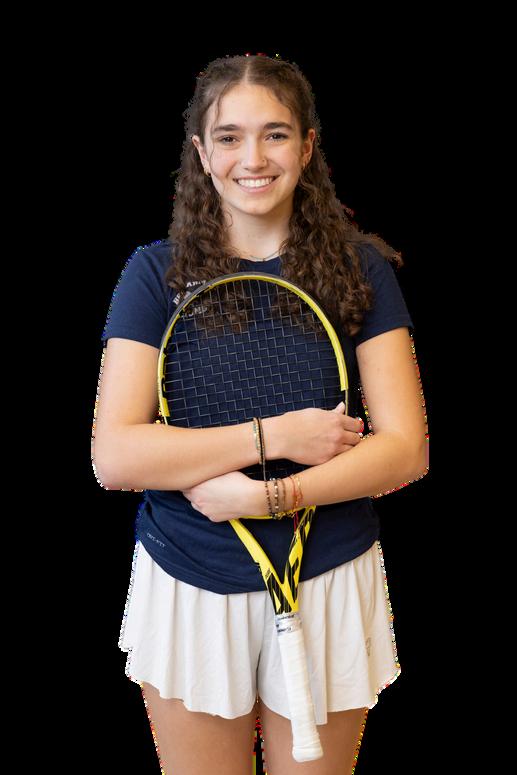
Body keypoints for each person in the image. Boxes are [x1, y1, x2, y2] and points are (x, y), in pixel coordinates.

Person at [92, 53, 429, 775]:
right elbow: (115, 456)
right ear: (200, 152)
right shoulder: (154, 273)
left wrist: (270, 494)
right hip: (188, 578)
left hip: (329, 576)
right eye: (229, 137)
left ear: (306, 147)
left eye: (275, 134)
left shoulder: (359, 270)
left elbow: (406, 449)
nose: (253, 158)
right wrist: (274, 437)